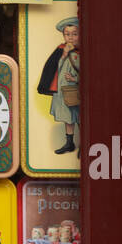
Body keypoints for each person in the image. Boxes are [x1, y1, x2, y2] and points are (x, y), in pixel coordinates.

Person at [36, 16, 81, 155]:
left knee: (79, 117)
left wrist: (75, 78)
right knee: (67, 117)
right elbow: (54, 67)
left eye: (74, 34)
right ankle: (69, 143)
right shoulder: (61, 49)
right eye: (67, 34)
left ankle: (86, 143)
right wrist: (64, 54)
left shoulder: (82, 51)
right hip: (62, 90)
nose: (71, 37)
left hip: (76, 90)